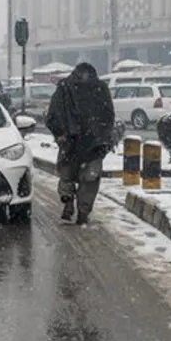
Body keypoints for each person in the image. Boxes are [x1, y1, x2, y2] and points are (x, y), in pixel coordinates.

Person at [45, 62, 115, 225]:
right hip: (93, 143)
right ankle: (83, 212)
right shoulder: (100, 88)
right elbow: (108, 115)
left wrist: (60, 133)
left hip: (69, 142)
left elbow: (52, 115)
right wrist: (103, 136)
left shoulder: (64, 87)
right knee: (89, 180)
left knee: (67, 175)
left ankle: (68, 201)